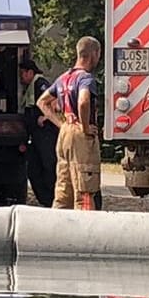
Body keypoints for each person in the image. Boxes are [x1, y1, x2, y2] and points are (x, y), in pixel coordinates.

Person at [38, 36, 102, 210]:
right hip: (80, 134)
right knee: (84, 186)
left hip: (65, 131)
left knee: (63, 188)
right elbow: (83, 101)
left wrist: (61, 123)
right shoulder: (85, 78)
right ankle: (86, 230)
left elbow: (42, 102)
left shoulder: (64, 78)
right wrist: (85, 127)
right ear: (93, 54)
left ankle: (58, 229)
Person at [19, 56, 57, 207]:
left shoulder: (40, 84)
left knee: (48, 166)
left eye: (22, 73)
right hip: (35, 135)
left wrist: (46, 117)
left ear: (30, 72)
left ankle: (51, 198)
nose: (21, 77)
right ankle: (45, 198)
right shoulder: (29, 88)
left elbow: (54, 102)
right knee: (34, 169)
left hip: (45, 134)